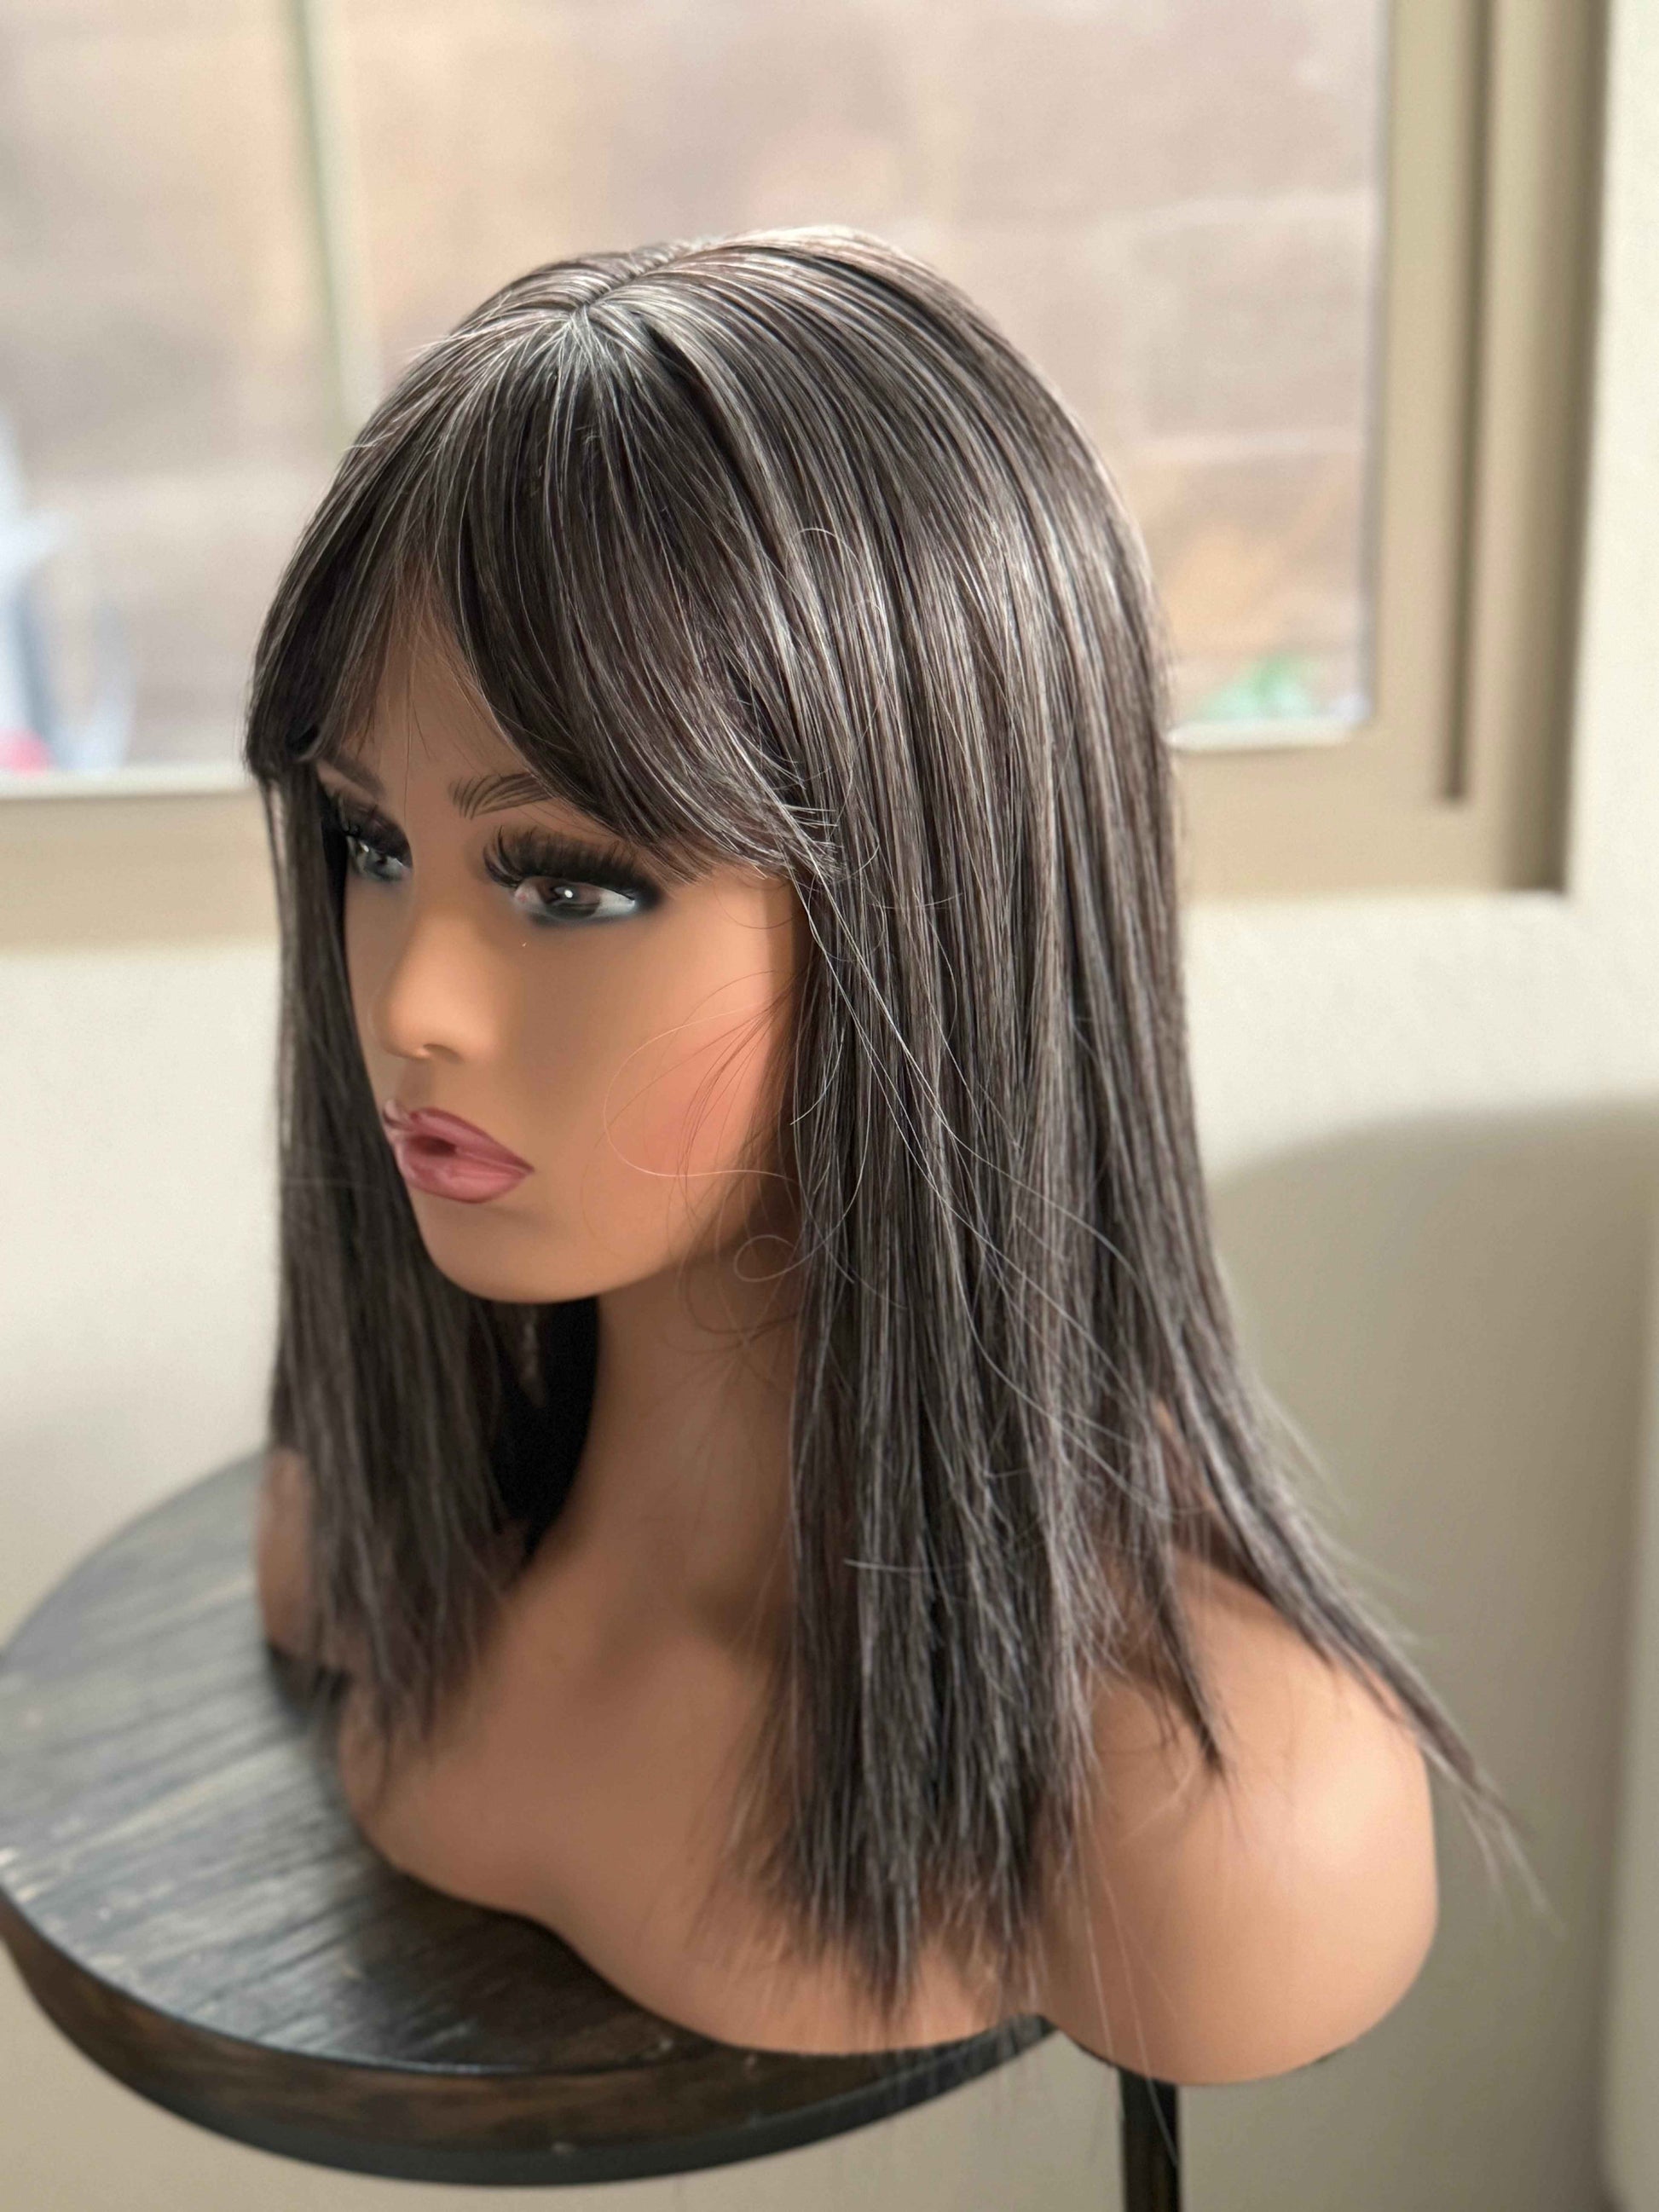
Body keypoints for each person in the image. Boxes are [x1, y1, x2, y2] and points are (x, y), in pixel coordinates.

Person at [246, 226, 1526, 2076]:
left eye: (567, 882)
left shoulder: (1204, 1818)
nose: (414, 1001)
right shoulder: (368, 1558)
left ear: (928, 911)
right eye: (373, 846)